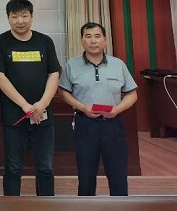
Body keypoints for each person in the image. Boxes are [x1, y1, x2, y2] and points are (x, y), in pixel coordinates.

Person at [0, 0, 60, 196]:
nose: (20, 21)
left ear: (32, 16)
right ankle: (11, 208)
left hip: (43, 116)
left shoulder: (45, 41)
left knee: (45, 167)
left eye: (24, 16)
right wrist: (25, 105)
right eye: (15, 16)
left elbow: (54, 73)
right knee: (13, 168)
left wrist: (42, 104)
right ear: (8, 18)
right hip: (14, 117)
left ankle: (46, 207)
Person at [59, 22, 138, 196]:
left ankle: (121, 208)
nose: (93, 41)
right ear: (82, 40)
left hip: (113, 124)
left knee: (118, 174)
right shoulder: (72, 65)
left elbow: (132, 94)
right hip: (85, 124)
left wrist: (117, 109)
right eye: (88, 36)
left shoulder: (118, 64)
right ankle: (86, 209)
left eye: (97, 36)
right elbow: (63, 93)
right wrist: (82, 107)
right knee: (86, 175)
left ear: (105, 40)